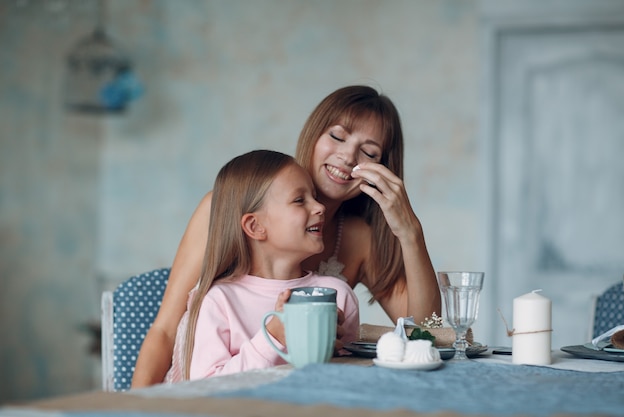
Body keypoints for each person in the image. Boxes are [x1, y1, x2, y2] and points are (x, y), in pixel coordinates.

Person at [131, 85, 440, 388]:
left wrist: (410, 232)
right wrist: (132, 409)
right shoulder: (225, 208)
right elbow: (165, 331)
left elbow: (426, 333)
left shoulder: (358, 238)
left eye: (369, 152)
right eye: (336, 136)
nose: (348, 157)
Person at [165, 150, 359, 381]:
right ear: (255, 226)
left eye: (314, 197)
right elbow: (207, 387)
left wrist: (336, 356)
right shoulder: (220, 301)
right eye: (299, 200)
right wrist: (273, 337)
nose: (320, 207)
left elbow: (349, 381)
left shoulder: (337, 295)